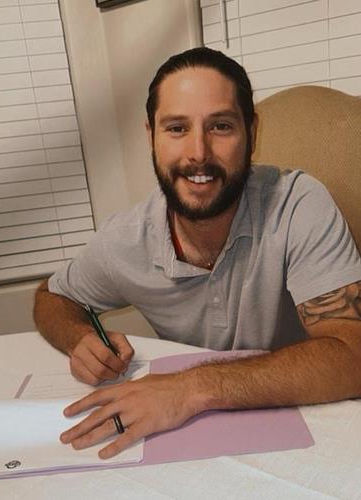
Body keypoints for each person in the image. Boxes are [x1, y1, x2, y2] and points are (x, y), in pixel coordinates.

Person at [34, 47, 361, 460]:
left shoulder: (299, 204)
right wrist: (78, 337)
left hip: (312, 428)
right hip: (187, 437)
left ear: (252, 133)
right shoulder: (127, 239)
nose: (198, 153)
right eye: (176, 128)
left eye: (221, 126)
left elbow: (354, 356)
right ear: (150, 135)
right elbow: (51, 296)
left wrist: (189, 389)